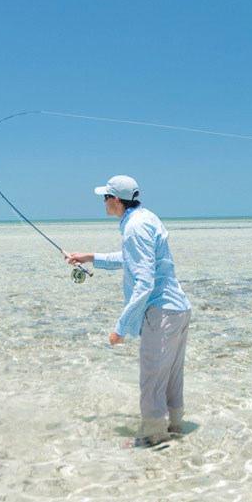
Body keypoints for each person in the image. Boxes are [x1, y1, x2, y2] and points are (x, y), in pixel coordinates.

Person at [65, 175, 192, 442]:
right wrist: (89, 257)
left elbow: (144, 282)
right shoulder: (145, 218)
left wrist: (120, 328)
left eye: (105, 198)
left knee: (151, 382)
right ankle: (176, 430)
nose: (103, 202)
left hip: (161, 313)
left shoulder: (134, 227)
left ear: (116, 200)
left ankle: (154, 440)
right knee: (171, 380)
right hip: (178, 309)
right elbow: (133, 258)